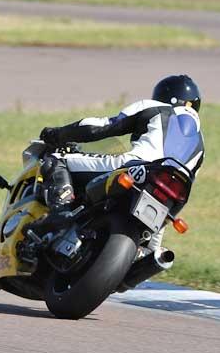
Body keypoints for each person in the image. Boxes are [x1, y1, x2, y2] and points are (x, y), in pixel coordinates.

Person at [30, 74, 204, 237]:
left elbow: (101, 127)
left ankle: (60, 213)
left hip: (137, 167)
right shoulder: (201, 144)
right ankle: (147, 253)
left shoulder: (155, 107)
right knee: (150, 239)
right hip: (175, 196)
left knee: (56, 160)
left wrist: (58, 134)